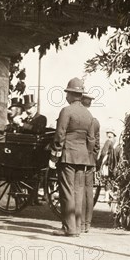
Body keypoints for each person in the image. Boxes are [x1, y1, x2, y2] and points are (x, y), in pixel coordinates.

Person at [49, 77, 94, 237]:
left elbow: (59, 134)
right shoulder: (88, 114)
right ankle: (78, 227)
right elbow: (91, 139)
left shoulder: (66, 111)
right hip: (83, 158)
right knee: (78, 192)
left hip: (68, 155)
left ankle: (69, 228)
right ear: (80, 95)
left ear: (70, 94)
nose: (66, 96)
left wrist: (55, 154)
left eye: (67, 93)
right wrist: (86, 155)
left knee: (67, 191)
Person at [80, 91, 100, 233]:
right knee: (88, 192)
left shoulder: (82, 120)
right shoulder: (95, 121)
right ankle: (87, 224)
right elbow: (96, 145)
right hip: (91, 161)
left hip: (82, 160)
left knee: (80, 191)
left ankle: (81, 224)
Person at [98, 130, 117, 204]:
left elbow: (103, 153)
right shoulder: (115, 142)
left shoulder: (108, 142)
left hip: (107, 163)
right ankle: (109, 195)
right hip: (113, 163)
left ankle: (106, 197)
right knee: (110, 179)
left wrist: (100, 161)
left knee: (106, 178)